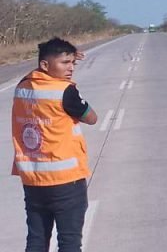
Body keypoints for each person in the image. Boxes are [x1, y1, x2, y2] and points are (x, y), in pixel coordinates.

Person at [13, 38, 99, 252]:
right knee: (69, 241)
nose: (71, 68)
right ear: (45, 64)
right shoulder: (65, 91)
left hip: (33, 179)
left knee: (36, 239)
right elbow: (92, 118)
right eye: (64, 63)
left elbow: (34, 73)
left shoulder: (23, 85)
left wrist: (61, 56)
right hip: (65, 181)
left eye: (72, 63)